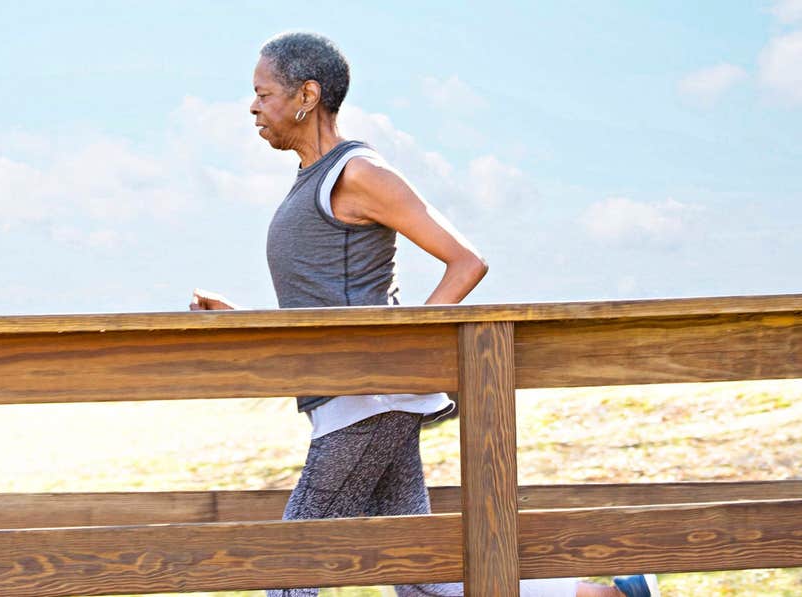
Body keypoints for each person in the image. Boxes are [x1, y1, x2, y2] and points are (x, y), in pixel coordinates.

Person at [190, 32, 660, 597]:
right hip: (360, 399)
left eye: (263, 93)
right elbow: (327, 304)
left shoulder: (358, 173)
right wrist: (243, 319)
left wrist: (401, 356)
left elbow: (465, 261)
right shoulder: (311, 182)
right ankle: (608, 596)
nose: (253, 106)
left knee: (294, 568)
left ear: (306, 95)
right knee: (425, 580)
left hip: (367, 401)